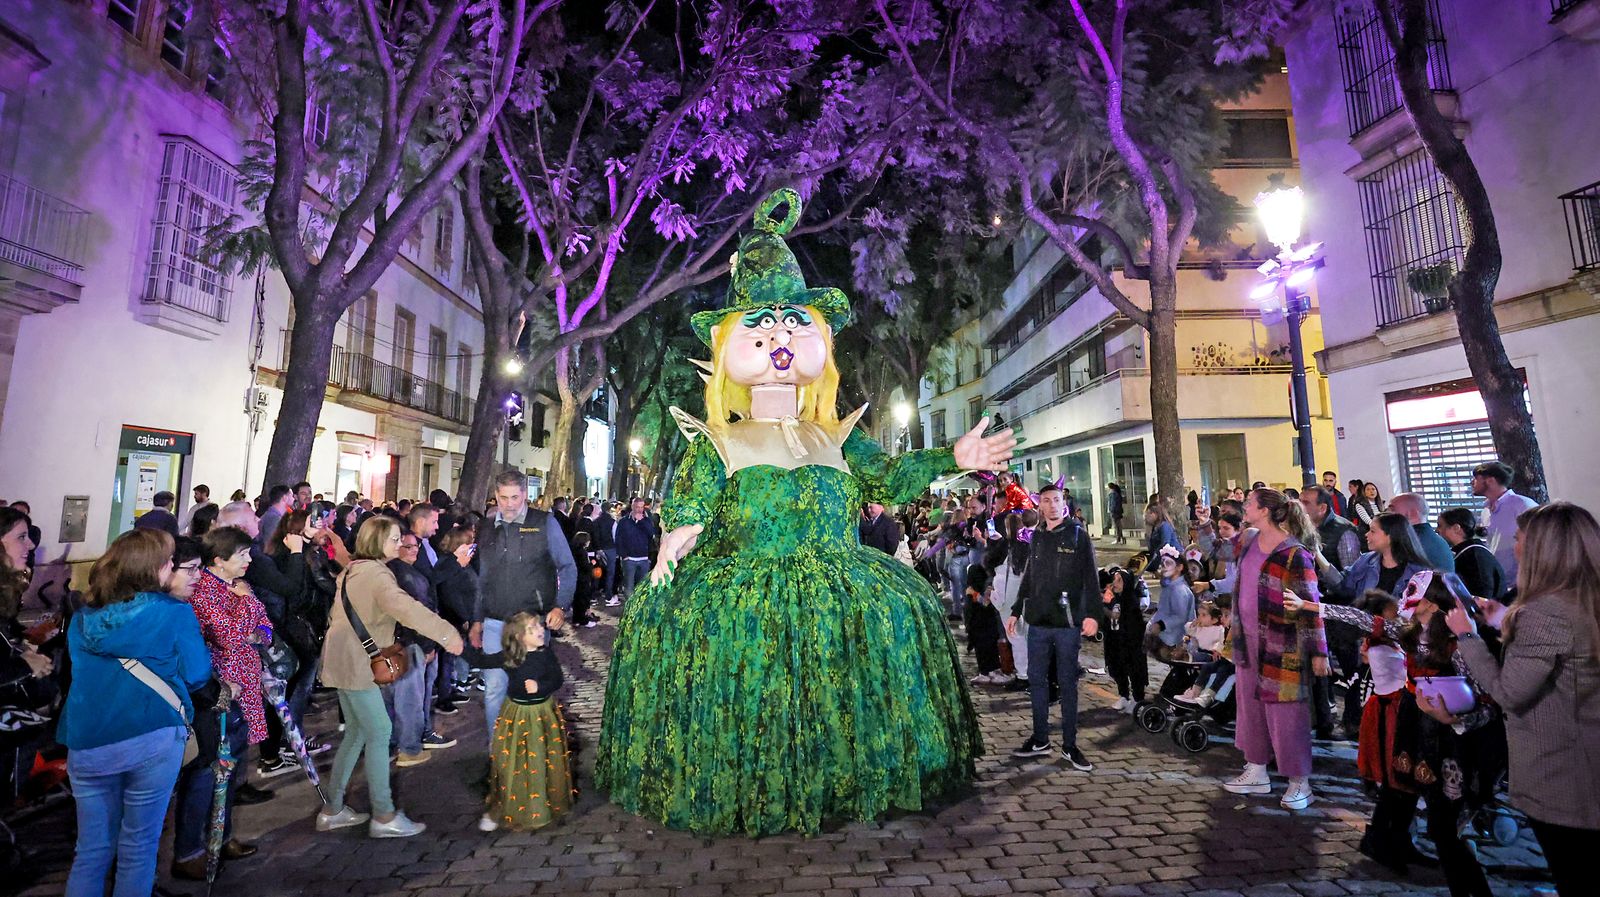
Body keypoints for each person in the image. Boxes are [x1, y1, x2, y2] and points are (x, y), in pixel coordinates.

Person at [597, 189, 1010, 836]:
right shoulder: (718, 441)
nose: (780, 338)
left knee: (850, 672)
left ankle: (844, 780)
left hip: (839, 582)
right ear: (728, 348)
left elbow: (891, 478)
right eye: (761, 326)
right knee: (762, 689)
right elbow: (694, 504)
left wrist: (950, 457)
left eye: (794, 323)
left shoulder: (840, 437)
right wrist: (677, 539)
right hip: (746, 588)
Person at [1291, 572, 1499, 895]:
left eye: (1414, 592)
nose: (1405, 596)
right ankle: (1397, 845)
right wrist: (1311, 606)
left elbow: (1488, 701)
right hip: (1414, 731)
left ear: (1432, 603)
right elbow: (1363, 619)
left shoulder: (1456, 644)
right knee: (1424, 812)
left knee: (1444, 826)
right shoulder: (1412, 633)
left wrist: (1456, 721)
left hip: (1449, 743)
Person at [1446, 502, 1600, 897]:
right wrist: (1503, 620)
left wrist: (1467, 635)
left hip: (1564, 767)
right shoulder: (1584, 598)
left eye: (1518, 538)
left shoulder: (1544, 612)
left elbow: (1509, 693)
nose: (1512, 545)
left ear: (1540, 549)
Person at [58, 530, 210, 897]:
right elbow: (197, 673)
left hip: (87, 740)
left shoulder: (83, 617)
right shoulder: (172, 612)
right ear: (152, 568)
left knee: (91, 851)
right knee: (139, 845)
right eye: (169, 562)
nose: (172, 567)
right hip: (151, 733)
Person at [317, 515, 464, 838]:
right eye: (394, 539)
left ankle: (333, 809)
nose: (400, 545)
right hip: (357, 664)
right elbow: (407, 609)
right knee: (379, 731)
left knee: (357, 732)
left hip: (344, 660)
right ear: (376, 541)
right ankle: (383, 816)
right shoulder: (376, 574)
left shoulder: (356, 569)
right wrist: (446, 634)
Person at [170, 526, 269, 879]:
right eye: (242, 554)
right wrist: (246, 609)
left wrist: (256, 631)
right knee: (207, 771)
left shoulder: (237, 585)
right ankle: (191, 849)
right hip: (217, 693)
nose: (249, 560)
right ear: (220, 560)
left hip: (244, 686)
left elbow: (265, 627)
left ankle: (221, 837)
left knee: (231, 766)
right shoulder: (203, 593)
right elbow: (229, 637)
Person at [1221, 488, 1328, 811]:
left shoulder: (1294, 553)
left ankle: (1299, 781)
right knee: (1250, 706)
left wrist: (1319, 651)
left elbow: (1311, 604)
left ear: (1265, 511)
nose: (1245, 507)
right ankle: (1256, 768)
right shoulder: (1250, 541)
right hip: (1247, 640)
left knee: (1287, 714)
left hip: (1283, 644)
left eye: (1250, 503)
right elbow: (1218, 550)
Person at [469, 470, 576, 745]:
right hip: (495, 621)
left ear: (525, 495)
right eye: (503, 498)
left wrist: (560, 606)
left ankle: (532, 750)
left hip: (532, 623)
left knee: (533, 687)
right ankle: (499, 754)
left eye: (515, 497)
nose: (509, 504)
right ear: (496, 496)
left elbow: (567, 566)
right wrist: (477, 619)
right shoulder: (487, 527)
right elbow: (482, 577)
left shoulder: (544, 523)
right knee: (494, 688)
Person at [1007, 483, 1100, 770]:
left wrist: (1093, 615)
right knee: (1036, 681)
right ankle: (1040, 739)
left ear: (1064, 503)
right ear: (1040, 506)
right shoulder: (1037, 536)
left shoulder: (1078, 535)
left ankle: (1070, 745)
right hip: (1038, 622)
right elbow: (1030, 577)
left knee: (1067, 683)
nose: (1051, 505)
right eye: (1046, 500)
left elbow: (1091, 578)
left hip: (1067, 623)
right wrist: (1016, 610)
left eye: (1056, 500)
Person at [475, 612, 573, 832]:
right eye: (532, 629)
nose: (540, 630)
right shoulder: (510, 657)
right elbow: (483, 661)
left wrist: (541, 687)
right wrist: (457, 645)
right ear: (519, 637)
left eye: (539, 626)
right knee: (512, 759)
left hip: (541, 714)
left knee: (540, 757)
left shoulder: (546, 654)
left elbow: (557, 678)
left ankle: (540, 806)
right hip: (516, 714)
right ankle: (504, 806)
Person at [386, 532, 456, 767]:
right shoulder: (405, 576)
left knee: (398, 698)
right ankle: (410, 747)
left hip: (398, 643)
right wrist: (428, 645)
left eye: (416, 546)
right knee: (410, 700)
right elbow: (417, 612)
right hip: (411, 644)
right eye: (408, 546)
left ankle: (394, 744)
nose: (414, 550)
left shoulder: (395, 572)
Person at [1470, 460, 1539, 582]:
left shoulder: (1522, 505)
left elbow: (1540, 542)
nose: (1472, 482)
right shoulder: (1486, 510)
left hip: (1523, 581)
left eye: (1476, 478)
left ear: (1490, 480)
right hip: (1500, 580)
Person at [1101, 566, 1148, 712]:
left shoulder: (1131, 602)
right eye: (1114, 580)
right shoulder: (1114, 599)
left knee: (1134, 670)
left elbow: (1134, 627)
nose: (1114, 583)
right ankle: (1123, 695)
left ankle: (1138, 699)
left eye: (1119, 580)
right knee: (1118, 668)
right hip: (1116, 641)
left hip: (1129, 644)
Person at [1438, 507, 1506, 601]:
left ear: (1456, 528)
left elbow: (1482, 598)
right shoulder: (1469, 552)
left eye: (1440, 526)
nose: (1437, 530)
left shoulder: (1474, 558)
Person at [1144, 545, 1196, 664]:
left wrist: (1161, 625)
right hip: (1164, 634)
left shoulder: (1179, 590)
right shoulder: (1170, 586)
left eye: (1168, 563)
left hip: (1173, 638)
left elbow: (1180, 616)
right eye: (1162, 564)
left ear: (1179, 567)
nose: (1164, 567)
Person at [1388, 492, 1455, 572]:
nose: (1386, 515)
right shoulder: (1431, 538)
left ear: (1413, 513)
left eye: (1392, 510)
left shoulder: (1411, 543)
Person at [1299, 486, 1361, 572]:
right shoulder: (1301, 527)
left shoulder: (1345, 530)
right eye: (1299, 502)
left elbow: (1351, 574)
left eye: (1306, 503)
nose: (1299, 507)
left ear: (1322, 508)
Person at [612, 496, 657, 607]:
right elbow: (618, 539)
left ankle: (638, 608)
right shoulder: (624, 522)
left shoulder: (647, 521)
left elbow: (651, 534)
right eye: (637, 507)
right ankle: (630, 608)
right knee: (629, 586)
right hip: (629, 559)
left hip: (644, 559)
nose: (639, 510)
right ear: (632, 507)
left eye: (641, 507)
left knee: (641, 587)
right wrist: (624, 555)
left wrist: (641, 522)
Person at [255, 485, 292, 551]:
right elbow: (270, 545)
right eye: (291, 496)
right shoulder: (273, 518)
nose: (294, 498)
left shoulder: (273, 516)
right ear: (285, 498)